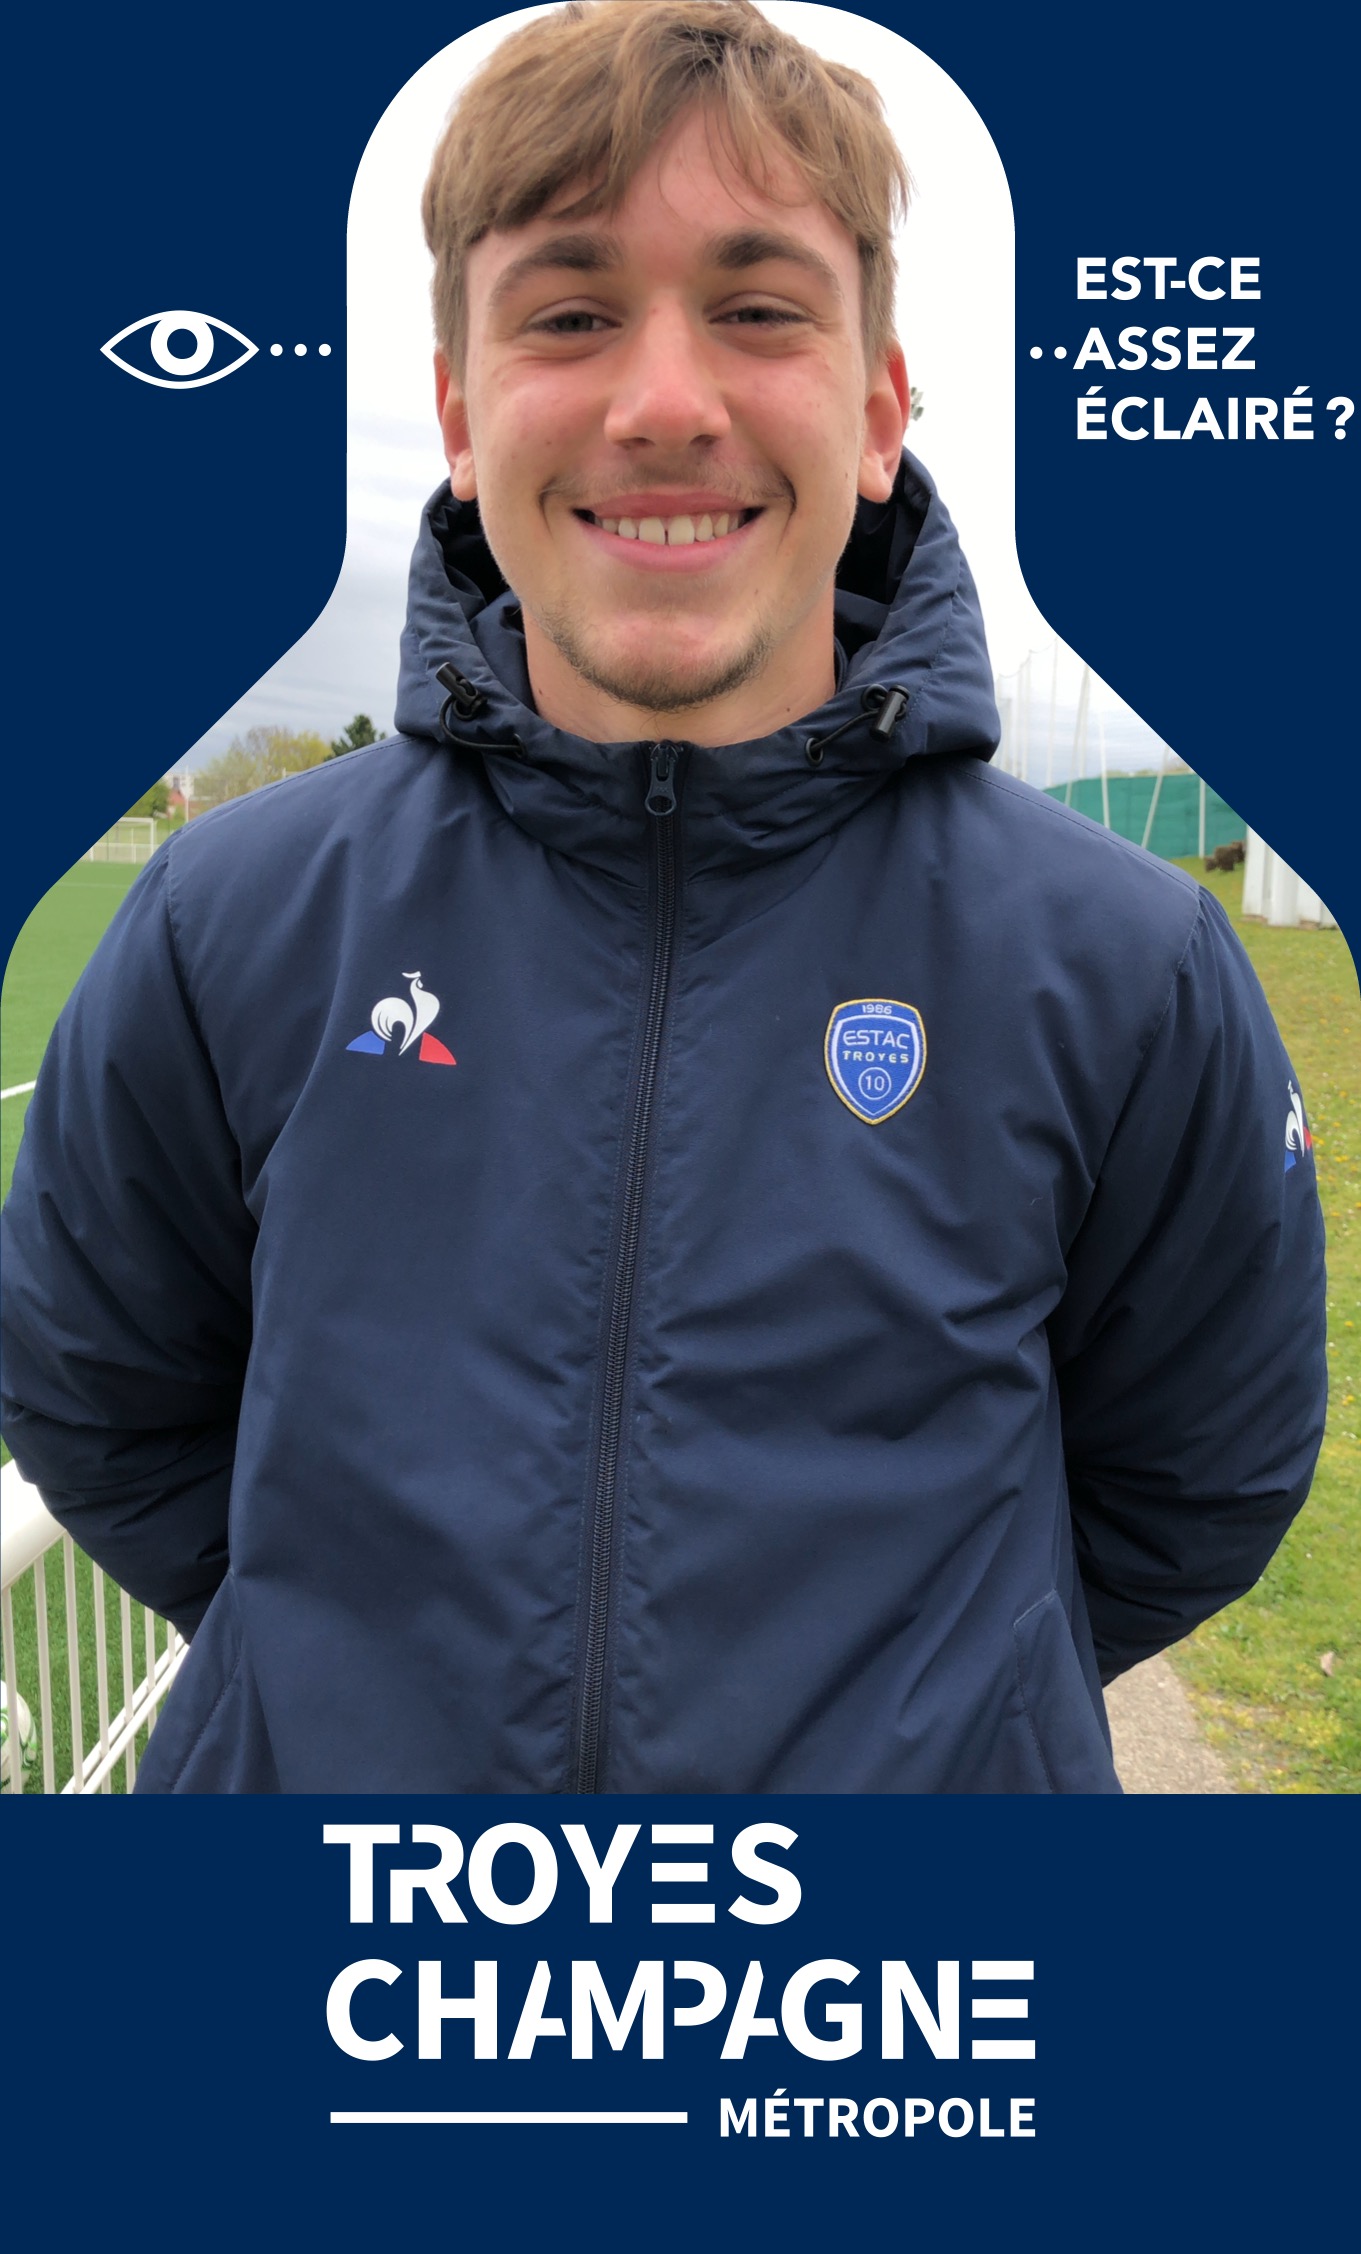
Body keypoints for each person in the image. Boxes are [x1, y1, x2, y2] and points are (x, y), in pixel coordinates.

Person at [0, 0, 1326, 1794]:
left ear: (878, 410)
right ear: (461, 415)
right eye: (568, 314)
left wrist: (931, 1719)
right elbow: (100, 1398)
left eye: (759, 309)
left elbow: (1197, 1475)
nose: (665, 402)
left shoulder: (1125, 958)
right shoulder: (223, 919)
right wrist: (357, 1697)